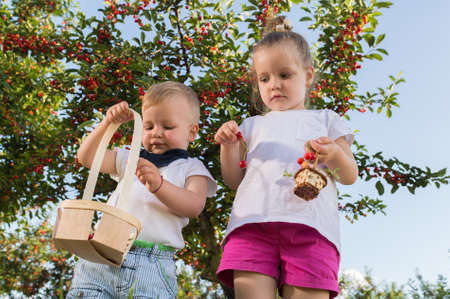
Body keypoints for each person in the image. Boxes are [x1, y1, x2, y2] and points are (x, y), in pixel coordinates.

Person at [215, 16, 358, 299]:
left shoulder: (326, 120)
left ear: (307, 75)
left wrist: (335, 155)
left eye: (284, 75)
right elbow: (233, 180)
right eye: (264, 78)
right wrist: (228, 147)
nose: (274, 85)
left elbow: (349, 176)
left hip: (311, 229)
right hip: (251, 227)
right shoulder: (251, 126)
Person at [68, 81, 217, 298]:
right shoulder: (131, 158)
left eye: (167, 127)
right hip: (101, 255)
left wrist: (159, 185)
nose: (156, 133)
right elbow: (87, 158)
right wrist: (107, 124)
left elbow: (194, 205)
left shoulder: (191, 168)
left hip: (150, 265)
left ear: (192, 132)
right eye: (149, 127)